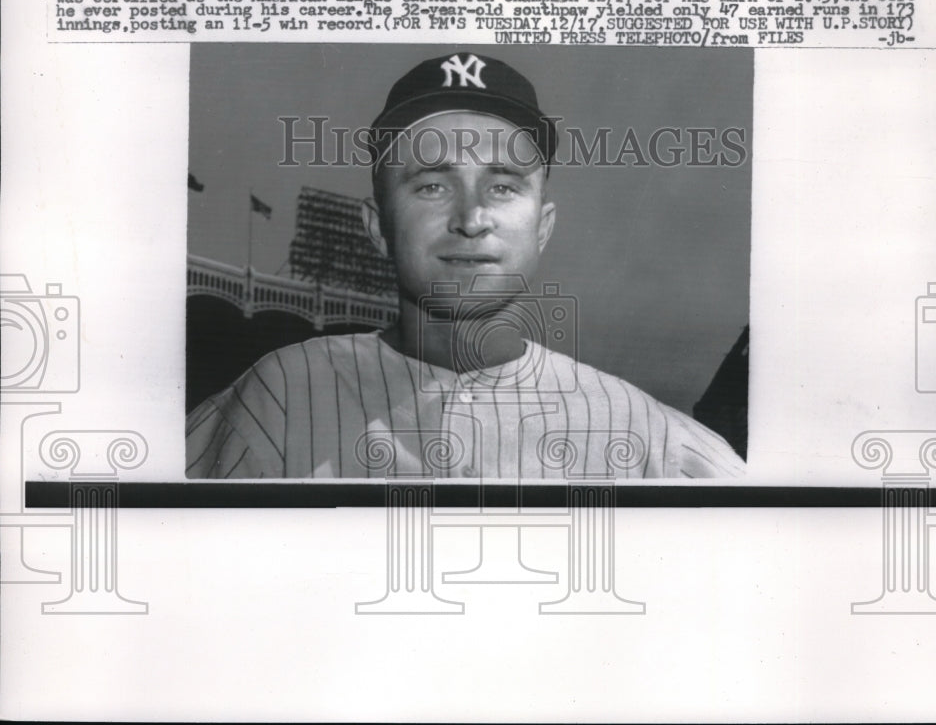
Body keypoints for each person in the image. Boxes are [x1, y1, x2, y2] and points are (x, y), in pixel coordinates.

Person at [186, 52, 746, 480]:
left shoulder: (641, 429)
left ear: (543, 226)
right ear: (377, 226)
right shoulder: (279, 397)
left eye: (503, 186)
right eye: (431, 184)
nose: (472, 216)